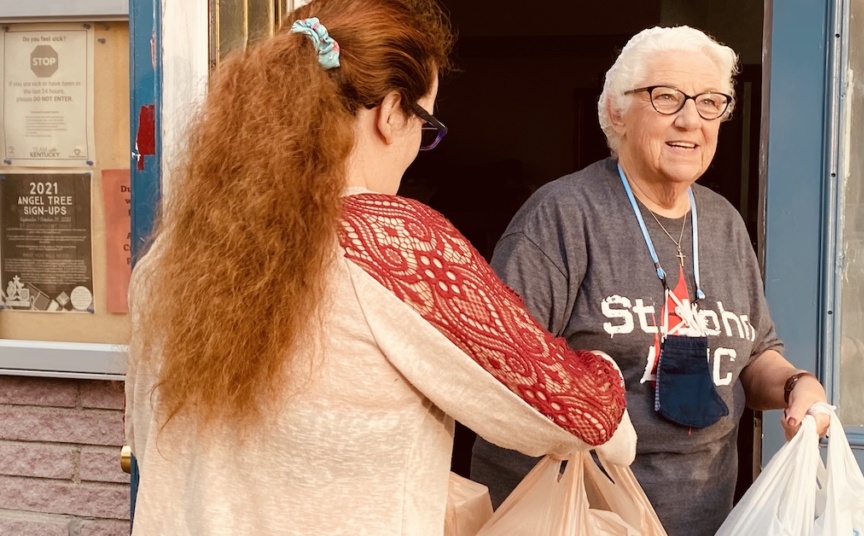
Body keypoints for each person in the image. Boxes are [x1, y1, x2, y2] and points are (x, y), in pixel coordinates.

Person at [124, 1, 636, 534]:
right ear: (391, 113)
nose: (421, 144)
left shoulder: (172, 257)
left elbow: (146, 439)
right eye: (427, 122)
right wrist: (602, 364)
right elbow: (580, 414)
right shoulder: (392, 242)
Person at [470, 26, 830, 535]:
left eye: (711, 103)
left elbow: (753, 354)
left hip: (708, 521)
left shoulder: (723, 221)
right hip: (579, 519)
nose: (691, 120)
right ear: (617, 111)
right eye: (667, 98)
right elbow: (495, 372)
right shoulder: (562, 217)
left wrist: (798, 385)